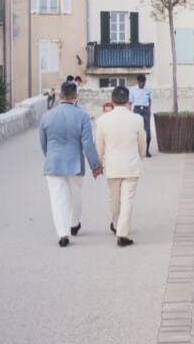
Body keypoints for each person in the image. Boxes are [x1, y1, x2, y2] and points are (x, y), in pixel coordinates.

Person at [39, 80, 103, 248]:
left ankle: (63, 234)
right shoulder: (83, 117)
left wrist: (50, 156)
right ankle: (74, 224)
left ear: (60, 96)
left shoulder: (46, 117)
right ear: (76, 97)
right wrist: (95, 166)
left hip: (53, 163)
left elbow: (43, 144)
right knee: (76, 196)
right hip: (75, 163)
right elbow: (88, 145)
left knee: (57, 199)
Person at [95, 85, 146, 247]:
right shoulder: (137, 119)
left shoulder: (102, 121)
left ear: (112, 101)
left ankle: (117, 224)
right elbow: (142, 142)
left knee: (114, 198)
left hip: (112, 166)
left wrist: (99, 163)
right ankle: (122, 233)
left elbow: (99, 145)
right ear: (128, 100)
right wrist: (141, 155)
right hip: (131, 165)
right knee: (127, 200)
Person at [128, 74, 153, 157]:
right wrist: (129, 113)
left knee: (147, 131)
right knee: (135, 131)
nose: (142, 84)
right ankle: (136, 150)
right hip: (137, 109)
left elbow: (150, 100)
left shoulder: (148, 90)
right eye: (140, 83)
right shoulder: (133, 90)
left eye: (143, 83)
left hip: (145, 110)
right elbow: (130, 102)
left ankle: (147, 150)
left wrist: (149, 110)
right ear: (138, 82)